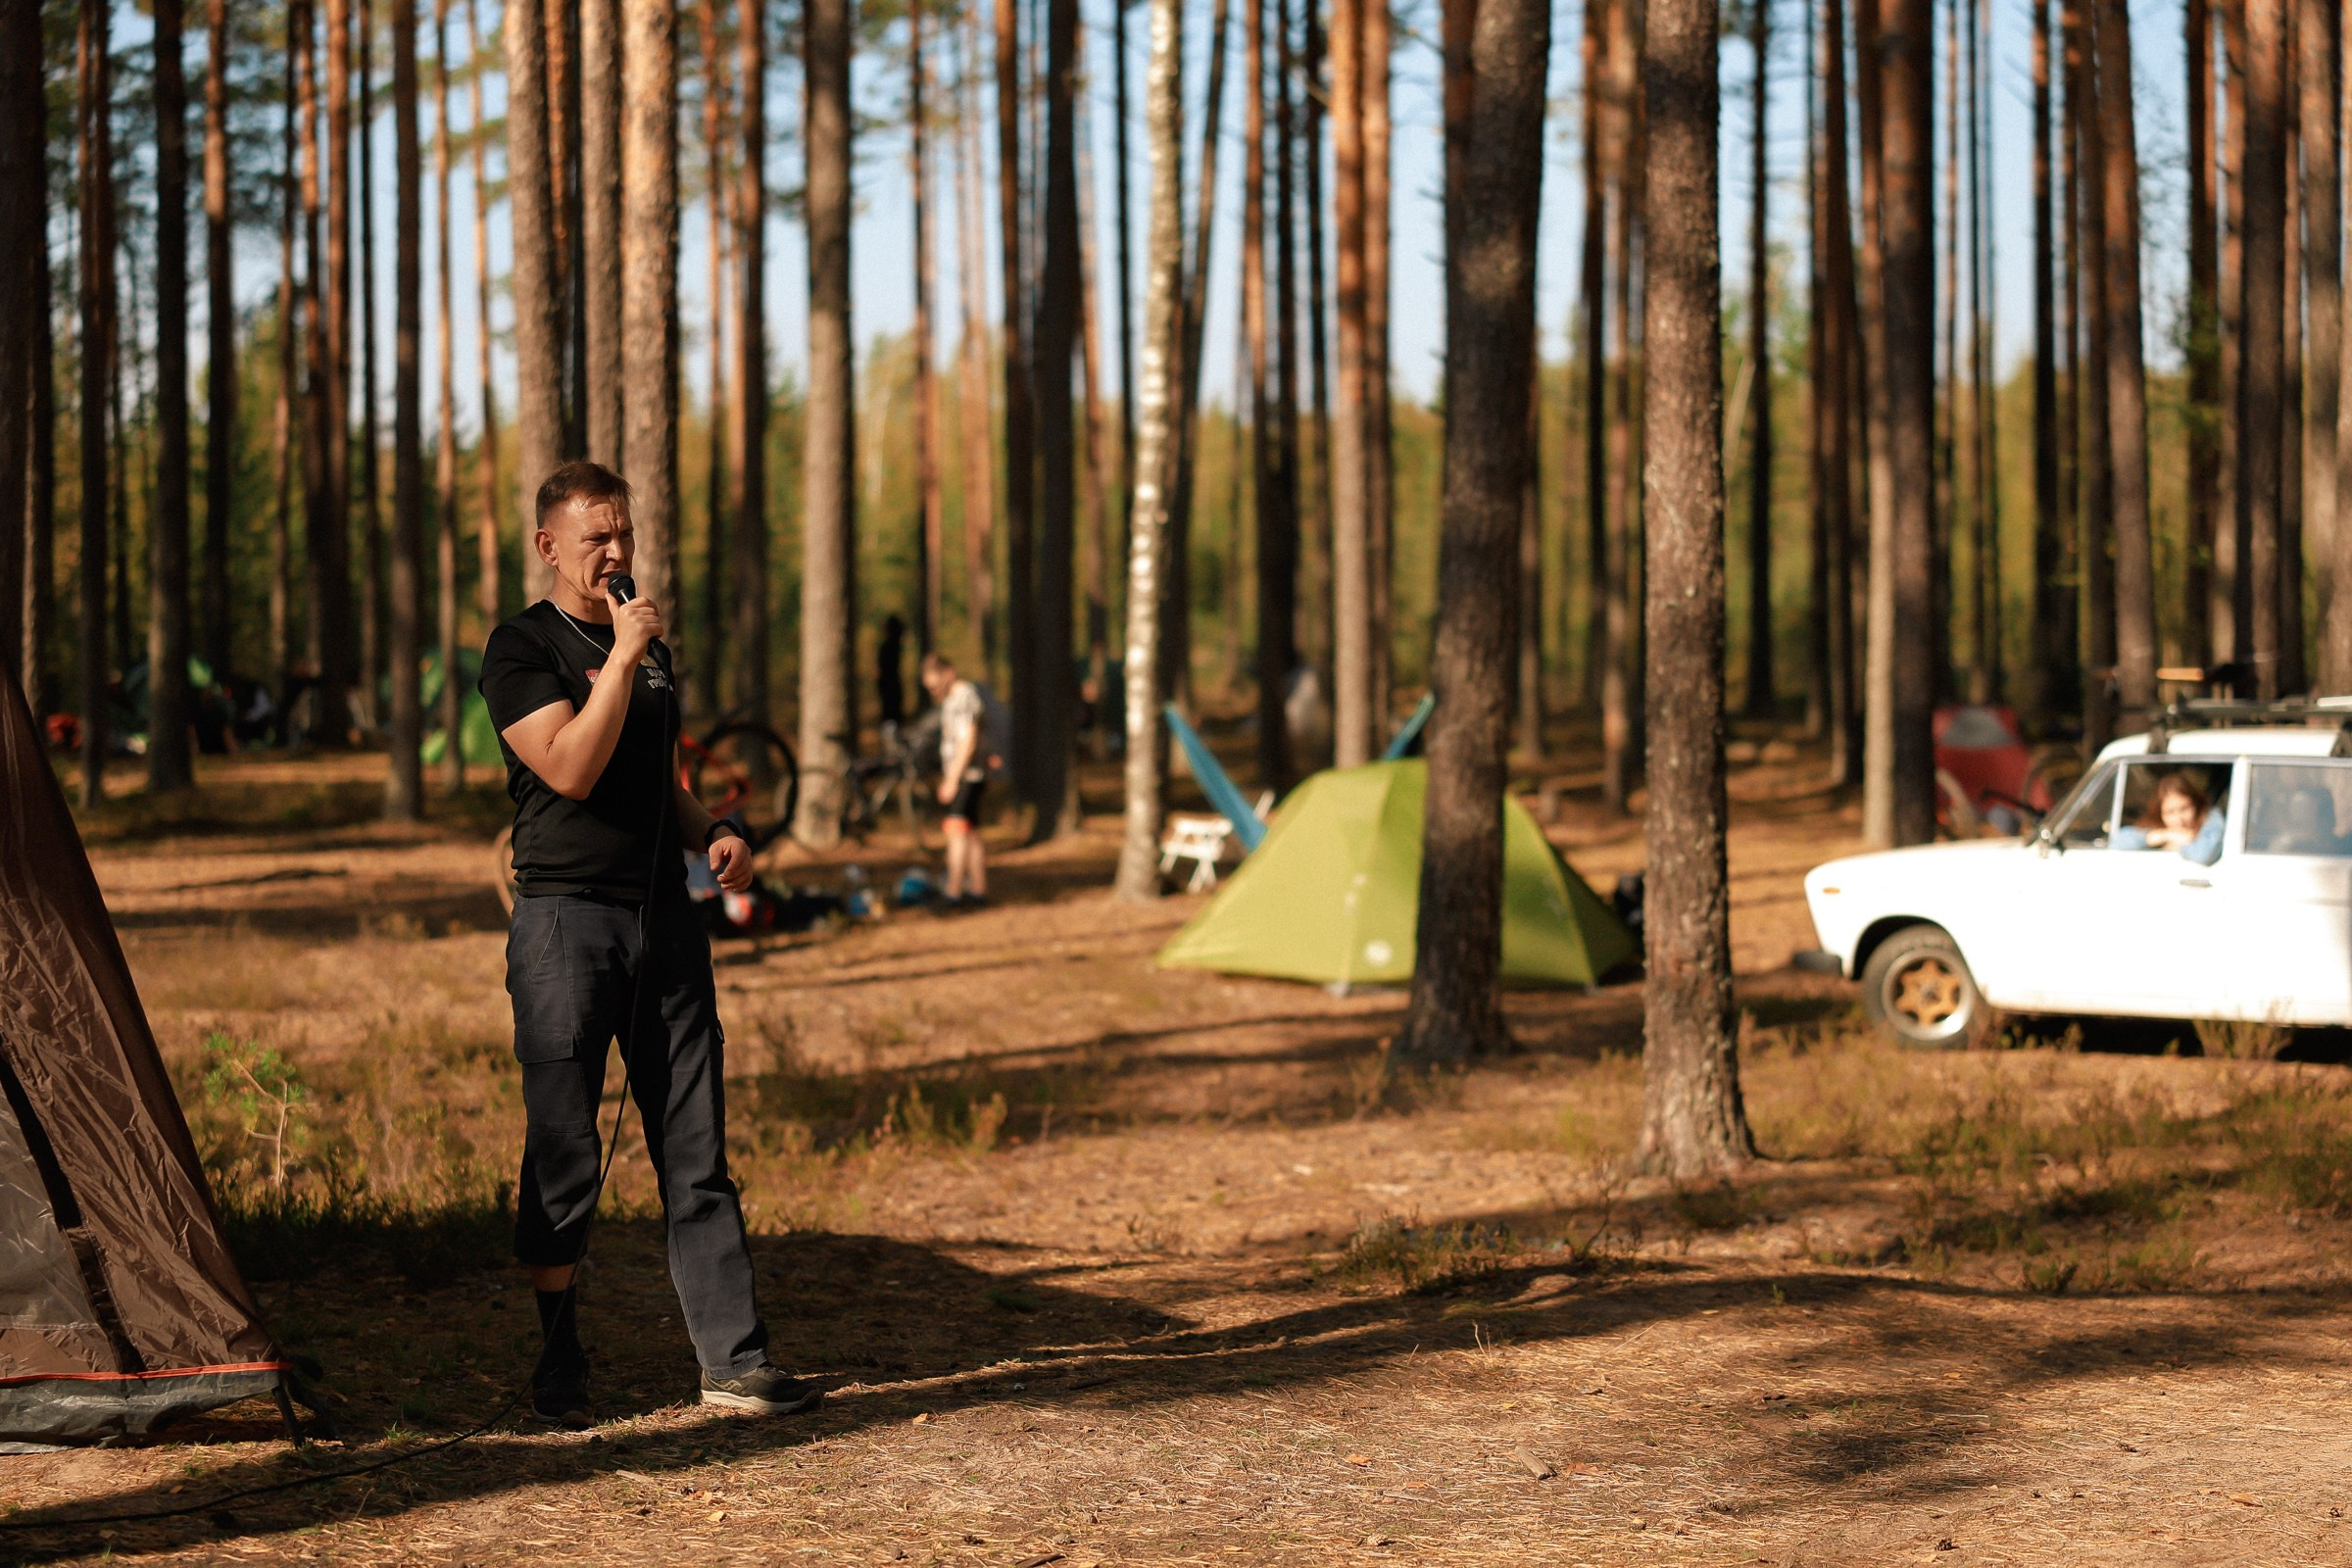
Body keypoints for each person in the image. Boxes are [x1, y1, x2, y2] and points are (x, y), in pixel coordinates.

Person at [477, 461, 818, 1428]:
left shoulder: (646, 648)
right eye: (597, 539)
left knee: (696, 1148)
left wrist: (710, 829)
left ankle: (734, 1360)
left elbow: (646, 776)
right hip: (563, 925)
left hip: (663, 919)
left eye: (624, 534)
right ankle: (557, 1357)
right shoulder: (521, 648)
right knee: (564, 1148)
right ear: (549, 544)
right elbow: (574, 769)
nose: (618, 554)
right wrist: (622, 659)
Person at [920, 651, 988, 906]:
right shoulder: (954, 699)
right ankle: (978, 890)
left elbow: (968, 740)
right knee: (970, 833)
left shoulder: (963, 697)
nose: (933, 691)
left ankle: (954, 891)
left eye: (936, 686)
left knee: (955, 831)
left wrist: (951, 779)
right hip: (967, 773)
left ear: (948, 673)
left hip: (966, 775)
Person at [2114, 772, 2225, 866]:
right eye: (2170, 812)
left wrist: (2182, 845)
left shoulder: (2211, 818)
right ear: (2160, 813)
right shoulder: (2157, 826)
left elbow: (2203, 855)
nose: (2179, 819)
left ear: (2196, 804)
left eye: (2184, 808)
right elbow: (2118, 842)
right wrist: (2165, 835)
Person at [877, 613, 908, 731]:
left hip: (889, 688)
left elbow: (882, 669)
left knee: (890, 717)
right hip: (893, 687)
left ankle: (892, 742)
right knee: (893, 717)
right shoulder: (895, 646)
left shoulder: (887, 647)